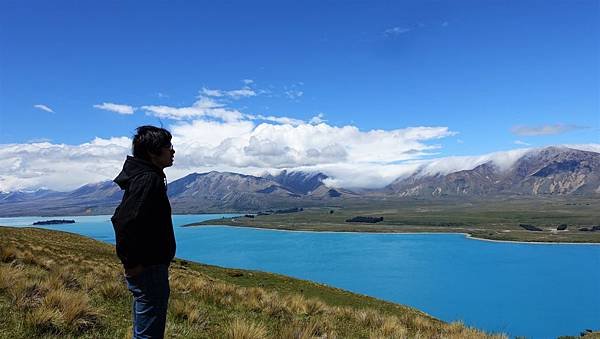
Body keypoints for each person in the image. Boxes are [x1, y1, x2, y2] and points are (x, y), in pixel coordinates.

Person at [111, 125, 176, 339]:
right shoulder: (148, 179)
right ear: (152, 152)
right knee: (149, 334)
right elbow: (125, 220)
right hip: (149, 268)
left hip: (148, 267)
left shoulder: (146, 176)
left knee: (144, 328)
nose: (173, 151)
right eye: (168, 147)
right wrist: (131, 263)